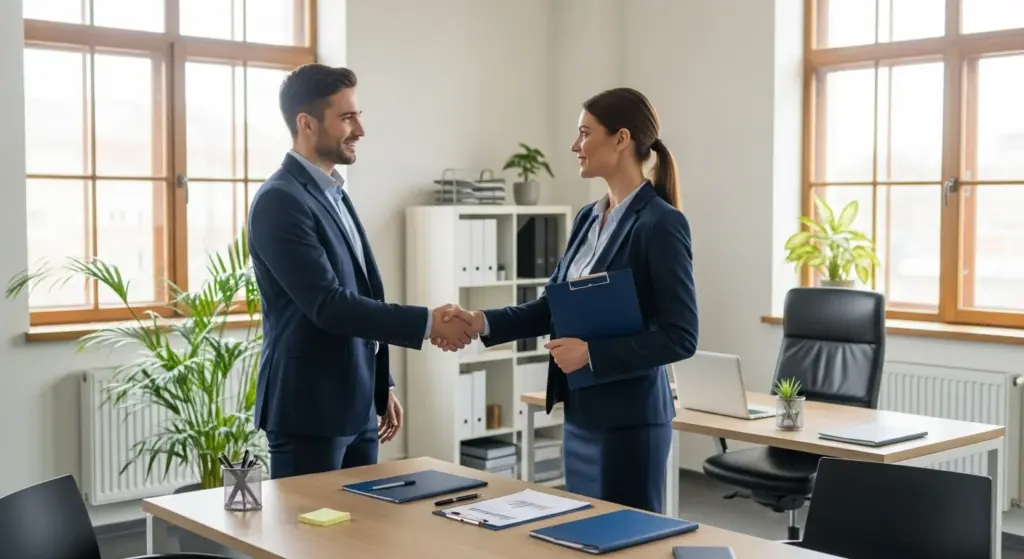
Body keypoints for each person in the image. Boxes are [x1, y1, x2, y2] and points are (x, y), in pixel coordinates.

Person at [438, 87, 698, 513]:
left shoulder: (661, 224)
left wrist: (592, 354)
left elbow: (681, 337)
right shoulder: (587, 218)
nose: (575, 145)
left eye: (584, 133)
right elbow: (552, 306)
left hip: (630, 421)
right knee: (582, 536)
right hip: (581, 415)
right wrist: (479, 320)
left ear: (621, 139)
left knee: (625, 542)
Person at [247, 64, 474, 479]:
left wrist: (380, 384)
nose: (360, 130)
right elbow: (329, 305)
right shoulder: (279, 201)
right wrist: (427, 322)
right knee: (308, 541)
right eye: (347, 117)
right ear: (307, 124)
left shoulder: (334, 192)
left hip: (359, 405)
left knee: (359, 538)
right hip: (309, 411)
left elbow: (364, 291)